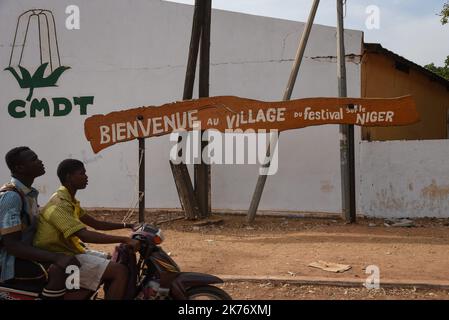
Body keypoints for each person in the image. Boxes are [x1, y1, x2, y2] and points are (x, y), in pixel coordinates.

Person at [33, 159, 140, 300]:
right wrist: (125, 239)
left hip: (70, 251)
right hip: (60, 256)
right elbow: (85, 236)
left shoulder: (69, 200)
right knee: (120, 271)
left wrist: (127, 225)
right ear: (68, 177)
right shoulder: (59, 204)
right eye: (81, 173)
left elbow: (96, 224)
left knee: (112, 259)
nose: (86, 176)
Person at [0, 146, 80, 299]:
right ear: (20, 168)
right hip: (9, 263)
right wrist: (55, 257)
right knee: (63, 267)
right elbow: (12, 245)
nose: (40, 161)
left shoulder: (29, 194)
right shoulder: (12, 197)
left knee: (72, 262)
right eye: (33, 159)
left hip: (25, 254)